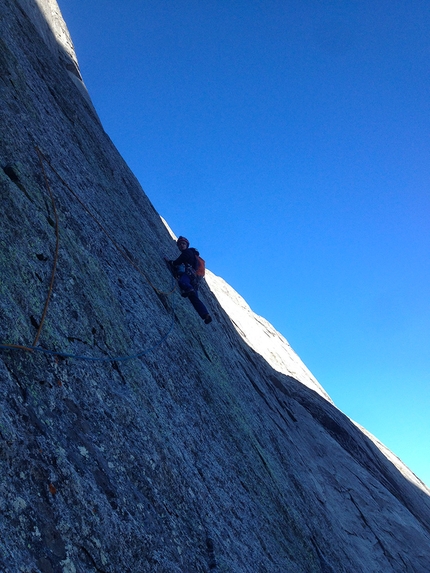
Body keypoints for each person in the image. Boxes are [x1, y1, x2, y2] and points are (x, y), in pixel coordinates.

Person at [168, 236, 212, 324]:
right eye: (180, 244)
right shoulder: (194, 255)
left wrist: (171, 262)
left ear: (187, 245)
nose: (181, 245)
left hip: (188, 274)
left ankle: (189, 289)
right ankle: (205, 315)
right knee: (194, 298)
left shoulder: (187, 252)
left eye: (183, 244)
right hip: (194, 279)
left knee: (183, 282)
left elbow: (179, 261)